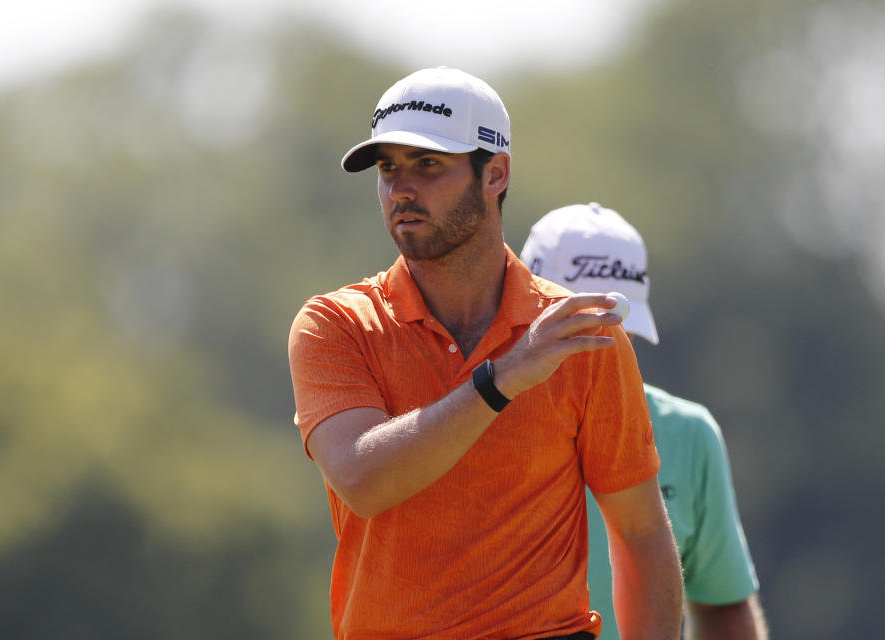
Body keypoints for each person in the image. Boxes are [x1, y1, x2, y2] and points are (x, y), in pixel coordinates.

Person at [288, 68, 683, 639]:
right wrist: (502, 378)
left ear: (494, 173)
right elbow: (363, 480)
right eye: (388, 168)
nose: (401, 188)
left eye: (428, 164)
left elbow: (641, 532)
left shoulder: (578, 334)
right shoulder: (336, 325)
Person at [520, 202, 769, 640]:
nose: (602, 351)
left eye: (618, 333)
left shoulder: (688, 434)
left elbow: (723, 607)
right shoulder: (476, 418)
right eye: (576, 330)